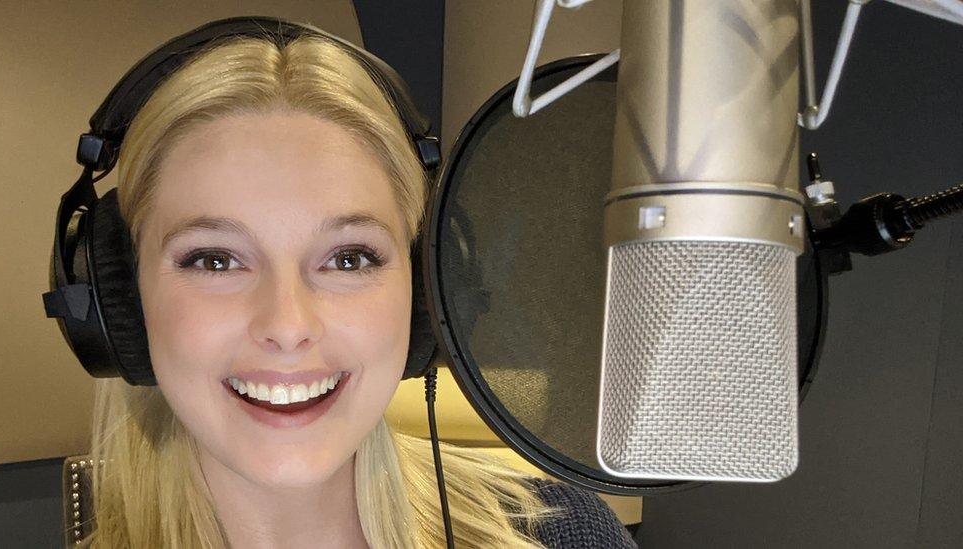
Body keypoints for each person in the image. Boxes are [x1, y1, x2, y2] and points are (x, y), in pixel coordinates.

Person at [71, 21, 637, 549]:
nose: (289, 325)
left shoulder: (562, 533)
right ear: (121, 295)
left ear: (425, 291)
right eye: (215, 261)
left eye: (349, 258)